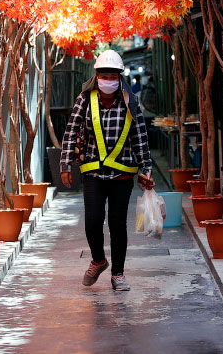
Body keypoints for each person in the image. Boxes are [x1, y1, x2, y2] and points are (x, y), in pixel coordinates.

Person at [60, 49, 155, 291]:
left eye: (114, 76)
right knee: (92, 220)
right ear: (97, 76)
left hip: (122, 174)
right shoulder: (85, 99)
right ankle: (98, 260)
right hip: (93, 172)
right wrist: (65, 165)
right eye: (105, 75)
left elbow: (140, 136)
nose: (109, 80)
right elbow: (71, 131)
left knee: (117, 223)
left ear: (120, 77)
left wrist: (146, 168)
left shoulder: (129, 101)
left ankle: (118, 274)